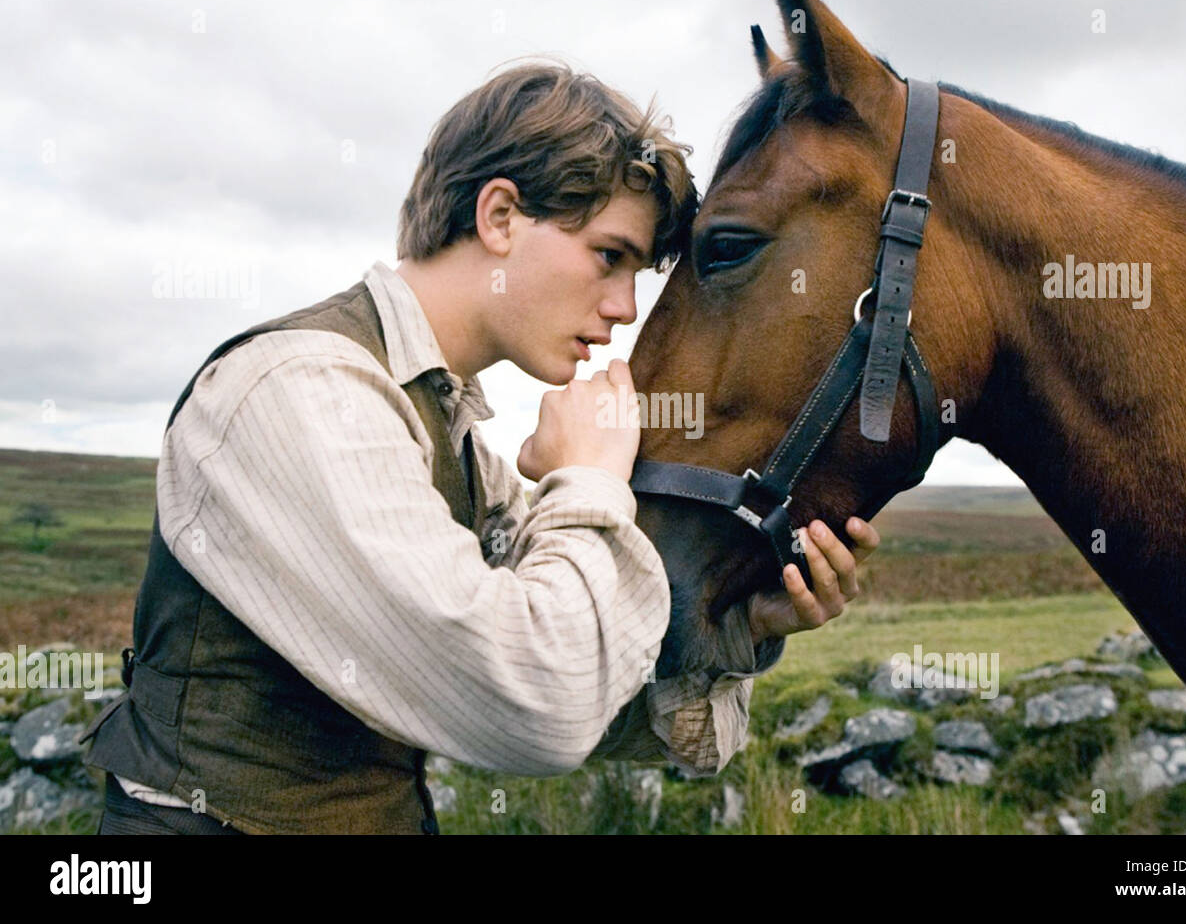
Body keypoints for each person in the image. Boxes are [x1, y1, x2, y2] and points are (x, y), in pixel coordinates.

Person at [81, 60, 879, 834]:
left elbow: (589, 688)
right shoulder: (299, 390)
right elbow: (539, 705)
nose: (625, 308)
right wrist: (587, 479)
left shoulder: (453, 435)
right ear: (499, 216)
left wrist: (738, 625)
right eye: (610, 256)